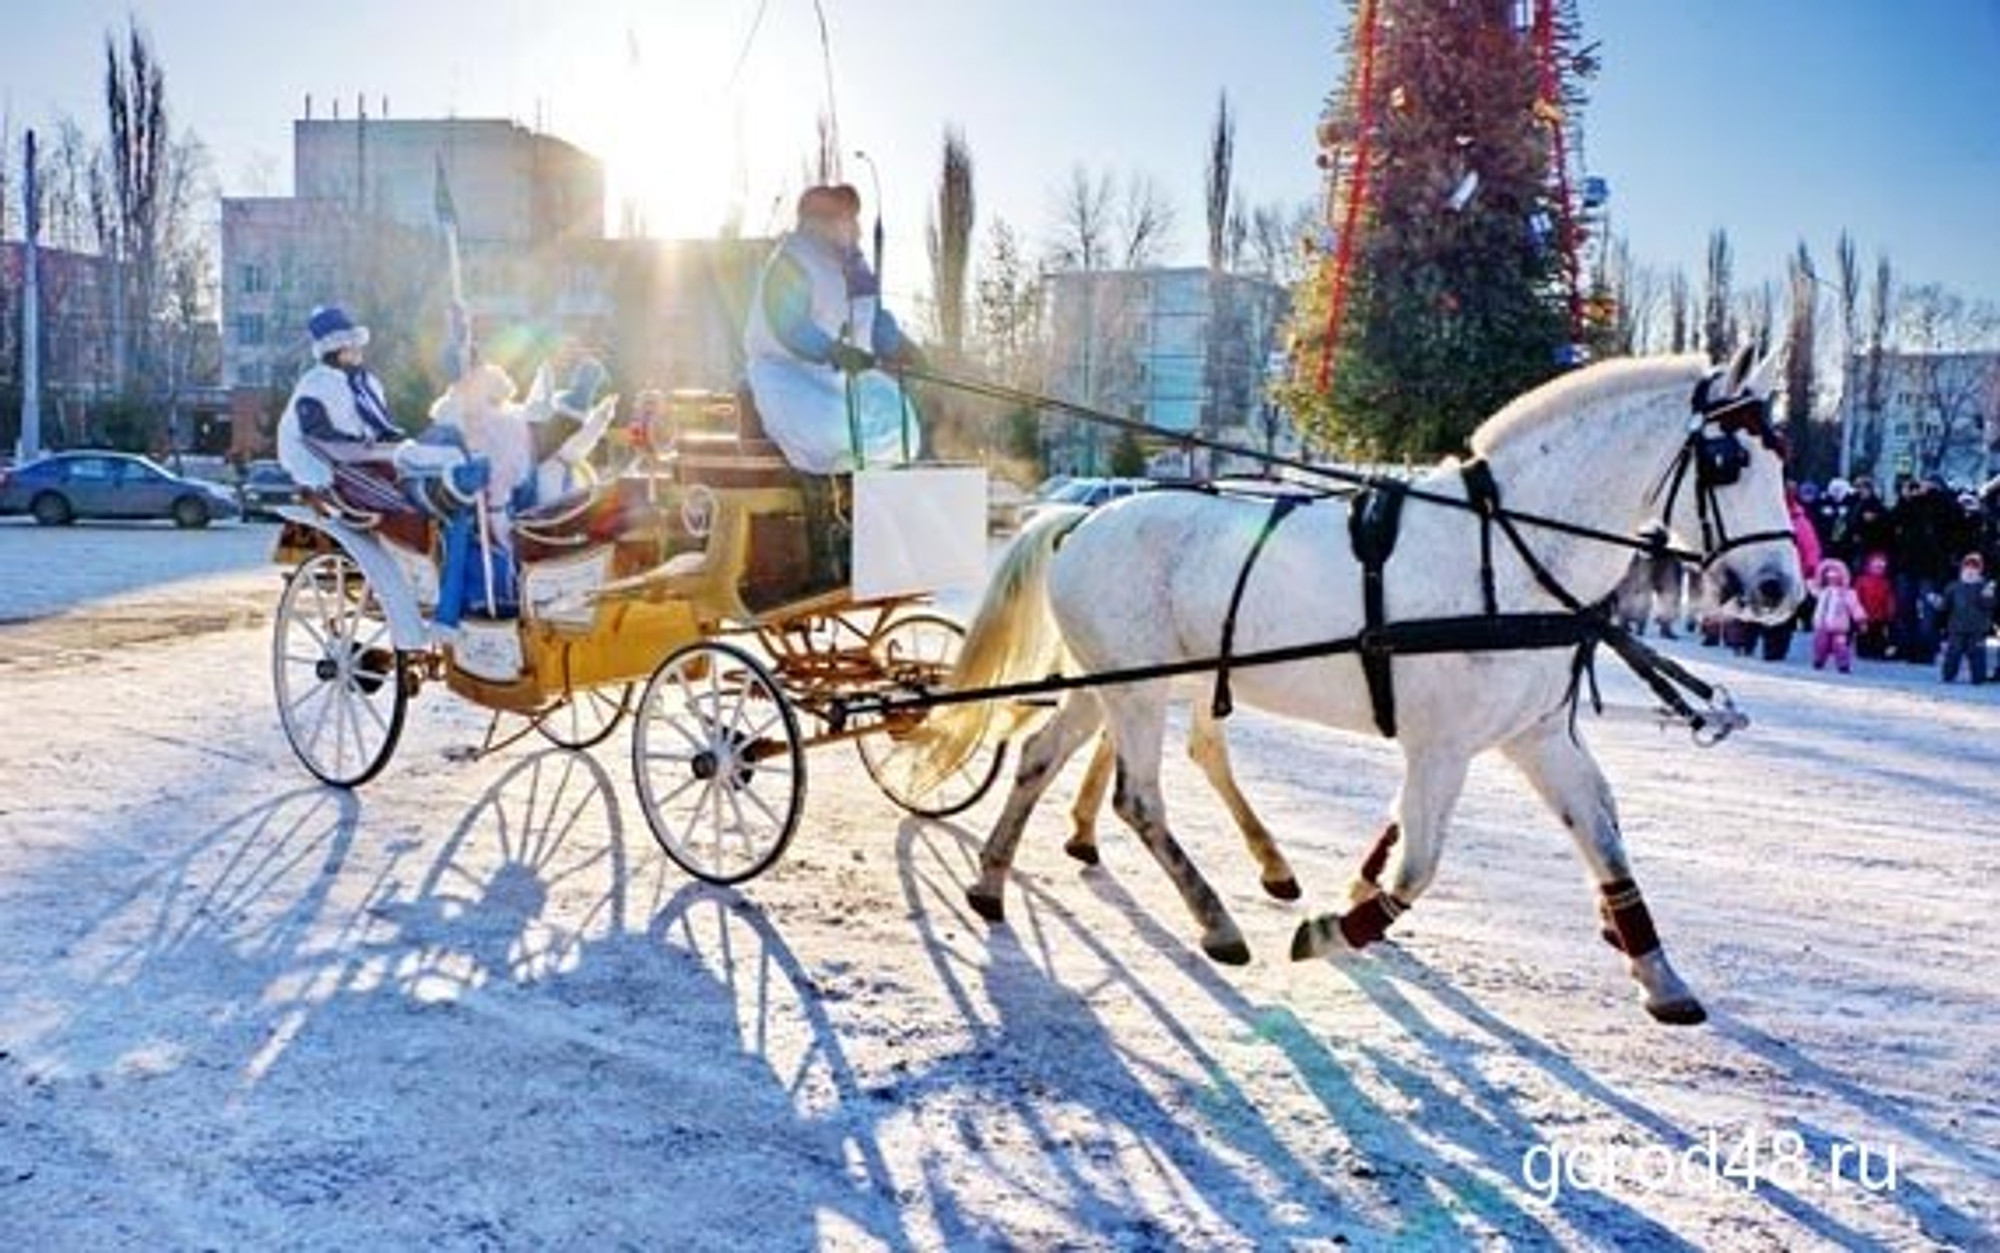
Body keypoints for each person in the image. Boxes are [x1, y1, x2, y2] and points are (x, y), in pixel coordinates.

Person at [742, 183, 926, 475]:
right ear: (821, 223)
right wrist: (832, 351)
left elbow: (873, 317)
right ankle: (838, 474)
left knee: (904, 427)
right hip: (791, 377)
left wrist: (901, 348)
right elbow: (789, 325)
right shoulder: (794, 260)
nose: (857, 229)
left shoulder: (855, 266)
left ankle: (864, 475)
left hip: (849, 380)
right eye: (848, 220)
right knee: (833, 432)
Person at [276, 305, 410, 506]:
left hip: (362, 459)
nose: (359, 351)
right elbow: (317, 434)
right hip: (325, 468)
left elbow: (380, 425)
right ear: (336, 351)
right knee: (389, 500)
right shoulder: (316, 385)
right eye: (353, 346)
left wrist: (394, 442)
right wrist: (355, 446)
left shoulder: (367, 384)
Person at [1937, 552, 1995, 685]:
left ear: (1980, 570)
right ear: (1962, 568)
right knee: (1953, 652)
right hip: (1956, 628)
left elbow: (1989, 605)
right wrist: (1937, 601)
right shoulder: (1954, 586)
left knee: (1977, 653)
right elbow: (1945, 604)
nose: (1970, 570)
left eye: (1974, 567)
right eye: (1967, 567)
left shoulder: (1984, 586)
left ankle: (1978, 678)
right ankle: (1948, 675)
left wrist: (1988, 595)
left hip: (1977, 629)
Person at [1808, 558, 1866, 674]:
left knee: (1840, 647)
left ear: (1843, 577)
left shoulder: (1847, 593)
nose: (1832, 579)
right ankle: (1818, 661)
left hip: (1839, 627)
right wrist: (1809, 575)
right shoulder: (1822, 591)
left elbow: (1855, 606)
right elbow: (1811, 587)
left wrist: (1861, 620)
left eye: (1836, 577)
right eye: (1829, 577)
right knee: (1820, 644)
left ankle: (1843, 665)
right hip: (1822, 625)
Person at [1852, 551, 1897, 660]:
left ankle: (1877, 651)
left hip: (1879, 616)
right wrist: (1856, 610)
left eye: (1881, 567)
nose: (1878, 569)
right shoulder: (1862, 580)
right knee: (1863, 634)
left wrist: (1890, 612)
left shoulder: (1886, 583)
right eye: (1876, 566)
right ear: (1869, 566)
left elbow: (1889, 599)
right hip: (1865, 615)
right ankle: (1863, 651)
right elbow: (1856, 596)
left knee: (1877, 636)